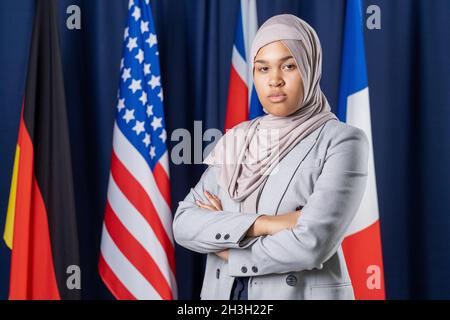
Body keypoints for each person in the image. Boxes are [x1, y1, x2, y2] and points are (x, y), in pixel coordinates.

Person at [173, 14, 369, 300]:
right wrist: (267, 224)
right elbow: (184, 222)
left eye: (288, 66)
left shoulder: (342, 141)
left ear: (310, 67)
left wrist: (227, 247)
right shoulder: (237, 139)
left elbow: (311, 244)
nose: (274, 80)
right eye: (263, 68)